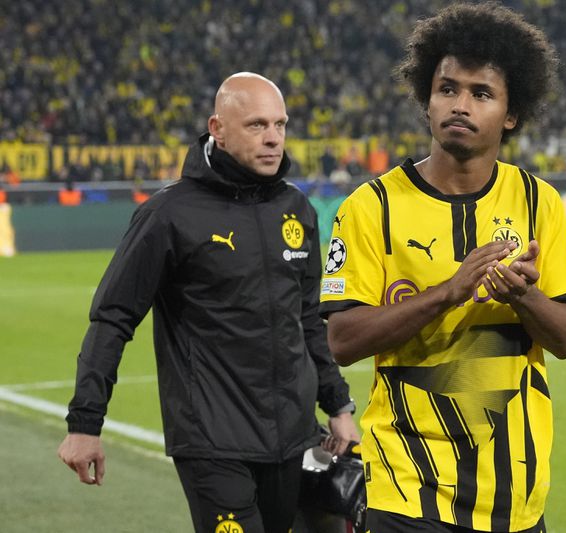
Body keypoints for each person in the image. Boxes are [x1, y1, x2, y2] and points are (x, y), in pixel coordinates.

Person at [319, 4, 566, 532]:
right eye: (448, 89)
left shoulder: (539, 203)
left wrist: (523, 297)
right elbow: (342, 340)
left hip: (515, 498)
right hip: (404, 491)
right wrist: (449, 291)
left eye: (481, 93)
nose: (460, 104)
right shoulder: (372, 206)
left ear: (511, 115)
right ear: (427, 100)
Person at [58, 72, 360, 533]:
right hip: (212, 441)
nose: (273, 139)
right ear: (217, 128)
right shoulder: (169, 214)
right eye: (257, 125)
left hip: (291, 438)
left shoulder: (295, 209)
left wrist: (338, 406)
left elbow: (307, 319)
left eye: (280, 125)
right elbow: (112, 319)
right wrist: (84, 423)